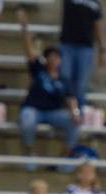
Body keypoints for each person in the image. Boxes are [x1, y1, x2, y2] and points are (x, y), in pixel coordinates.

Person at [17, 8, 80, 165]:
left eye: (57, 57)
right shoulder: (38, 69)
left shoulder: (64, 79)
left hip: (53, 112)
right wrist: (25, 27)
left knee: (75, 122)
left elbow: (71, 98)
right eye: (51, 57)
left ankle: (65, 154)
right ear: (46, 59)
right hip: (34, 109)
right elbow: (29, 50)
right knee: (26, 119)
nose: (54, 60)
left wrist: (75, 113)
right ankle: (30, 151)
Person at [58, 0, 104, 110]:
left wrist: (102, 48)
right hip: (67, 44)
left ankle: (80, 111)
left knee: (81, 83)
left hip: (85, 47)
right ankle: (63, 108)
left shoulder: (95, 3)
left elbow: (97, 25)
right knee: (64, 77)